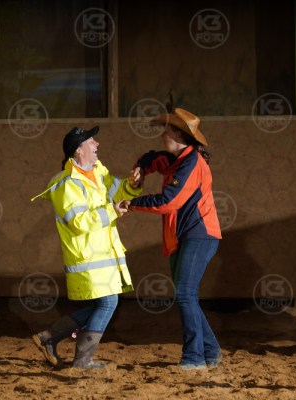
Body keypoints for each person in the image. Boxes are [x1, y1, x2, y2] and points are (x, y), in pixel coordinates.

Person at [31, 126, 142, 369]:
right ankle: (81, 359)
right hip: (87, 257)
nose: (97, 143)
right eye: (91, 140)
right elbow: (78, 222)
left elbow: (118, 191)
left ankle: (49, 337)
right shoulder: (66, 184)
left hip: (104, 254)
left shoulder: (99, 172)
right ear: (78, 150)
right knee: (108, 303)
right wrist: (112, 211)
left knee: (103, 304)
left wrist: (132, 184)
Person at [123, 108, 222, 371]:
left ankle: (194, 357)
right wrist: (141, 168)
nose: (162, 134)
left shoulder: (190, 163)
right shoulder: (180, 160)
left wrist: (131, 203)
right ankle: (210, 351)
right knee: (186, 295)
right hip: (188, 235)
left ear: (178, 135)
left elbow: (168, 201)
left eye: (166, 131)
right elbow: (153, 158)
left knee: (186, 294)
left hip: (199, 235)